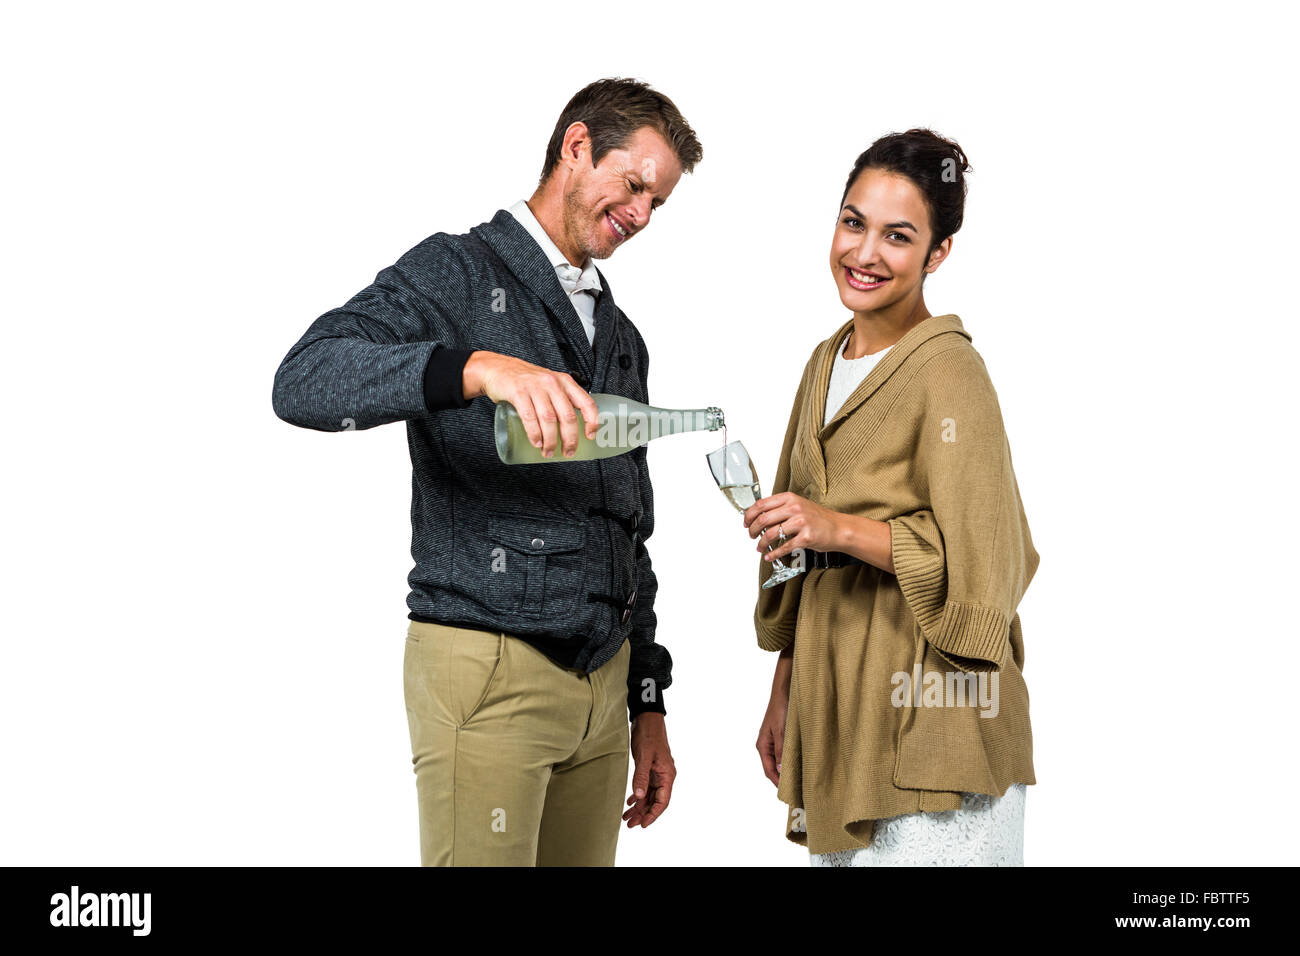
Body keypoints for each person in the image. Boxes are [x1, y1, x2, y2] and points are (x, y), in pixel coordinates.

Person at [271, 77, 703, 866]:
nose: (641, 215)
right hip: (491, 665)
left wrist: (646, 699)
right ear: (576, 147)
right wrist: (471, 368)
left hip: (602, 692)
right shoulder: (458, 272)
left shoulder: (621, 335)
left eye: (659, 203)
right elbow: (304, 380)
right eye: (633, 185)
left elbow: (627, 528)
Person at [744, 129, 1039, 866]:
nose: (865, 253)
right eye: (853, 222)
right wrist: (784, 691)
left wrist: (838, 528)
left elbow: (991, 567)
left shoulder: (950, 374)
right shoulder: (824, 362)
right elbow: (795, 551)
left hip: (935, 729)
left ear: (937, 254)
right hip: (842, 713)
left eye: (898, 237)